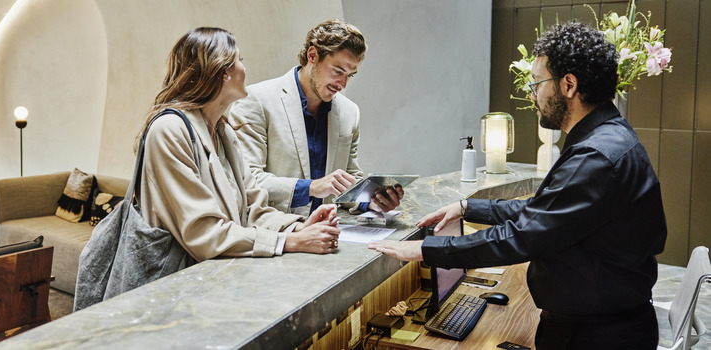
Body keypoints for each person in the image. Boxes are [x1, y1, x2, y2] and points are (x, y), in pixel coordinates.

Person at [368, 21, 667, 349]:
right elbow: (549, 212)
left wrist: (426, 249)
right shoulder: (608, 138)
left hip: (598, 336)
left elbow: (527, 235)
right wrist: (469, 206)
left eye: (537, 83)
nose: (532, 93)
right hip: (601, 325)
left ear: (568, 84)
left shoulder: (596, 155)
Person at [136, 27, 341, 263]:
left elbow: (253, 210)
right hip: (175, 281)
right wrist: (290, 242)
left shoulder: (225, 133)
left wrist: (299, 228)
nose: (244, 68)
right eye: (239, 60)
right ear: (221, 71)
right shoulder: (169, 130)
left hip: (218, 275)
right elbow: (204, 232)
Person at [229, 19, 403, 216]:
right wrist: (312, 187)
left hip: (331, 232)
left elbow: (349, 177)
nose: (343, 84)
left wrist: (370, 201)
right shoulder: (256, 101)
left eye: (350, 75)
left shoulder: (349, 112)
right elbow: (248, 181)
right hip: (276, 232)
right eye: (338, 71)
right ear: (312, 55)